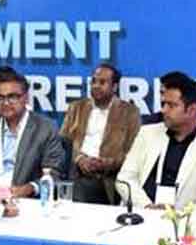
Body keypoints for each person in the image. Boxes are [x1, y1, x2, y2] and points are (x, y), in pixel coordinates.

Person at [117, 71, 196, 208]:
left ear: (191, 110)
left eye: (171, 105)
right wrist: (147, 206)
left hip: (185, 219)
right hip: (140, 213)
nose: (164, 110)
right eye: (163, 104)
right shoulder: (147, 134)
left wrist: (179, 213)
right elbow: (124, 178)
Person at [0, 69, 63, 198]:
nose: (5, 103)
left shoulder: (46, 128)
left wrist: (30, 188)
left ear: (26, 97)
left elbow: (54, 173)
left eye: (12, 97)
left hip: (27, 200)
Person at [60, 63, 141, 204]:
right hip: (79, 174)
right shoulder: (76, 108)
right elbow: (63, 142)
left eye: (102, 82)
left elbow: (134, 152)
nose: (96, 86)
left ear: (114, 87)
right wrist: (80, 159)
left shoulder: (129, 112)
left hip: (110, 177)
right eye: (93, 81)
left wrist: (106, 163)